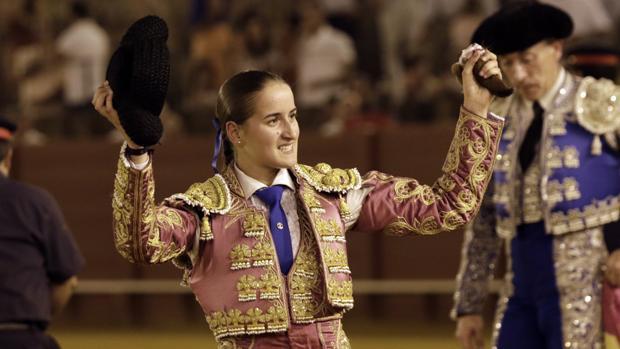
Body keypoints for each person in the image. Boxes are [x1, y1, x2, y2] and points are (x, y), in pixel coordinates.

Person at [93, 48, 504, 347]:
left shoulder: (335, 194)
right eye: (273, 120)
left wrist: (477, 107)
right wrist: (137, 151)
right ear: (235, 133)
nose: (291, 131)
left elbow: (450, 207)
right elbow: (140, 242)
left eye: (293, 116)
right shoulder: (204, 210)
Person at [452, 2, 620, 349]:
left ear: (556, 49)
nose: (520, 75)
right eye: (509, 63)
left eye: (527, 59)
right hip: (521, 279)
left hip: (587, 273)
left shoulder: (602, 102)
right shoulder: (497, 119)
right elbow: (482, 219)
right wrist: (469, 306)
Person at [0, 116, 85, 349]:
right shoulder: (35, 203)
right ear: (8, 157)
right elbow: (67, 281)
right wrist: (36, 317)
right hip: (23, 337)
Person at [55, 0, 110, 138]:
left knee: (77, 126)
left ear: (73, 14)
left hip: (77, 87)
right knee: (98, 127)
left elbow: (58, 54)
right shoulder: (99, 33)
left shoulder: (73, 33)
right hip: (97, 85)